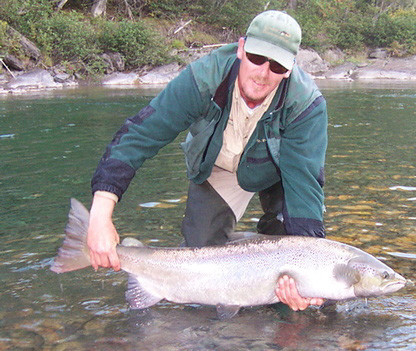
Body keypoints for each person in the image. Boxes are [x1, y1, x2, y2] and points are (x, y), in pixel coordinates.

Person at [88, 10, 328, 311]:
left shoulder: (307, 105)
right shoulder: (204, 79)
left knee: (296, 284)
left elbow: (305, 185)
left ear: (290, 69)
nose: (263, 73)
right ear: (241, 49)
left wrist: (311, 280)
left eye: (277, 65)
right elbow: (139, 135)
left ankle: (280, 321)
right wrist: (100, 214)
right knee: (199, 264)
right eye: (256, 58)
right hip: (221, 167)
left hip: (281, 172)